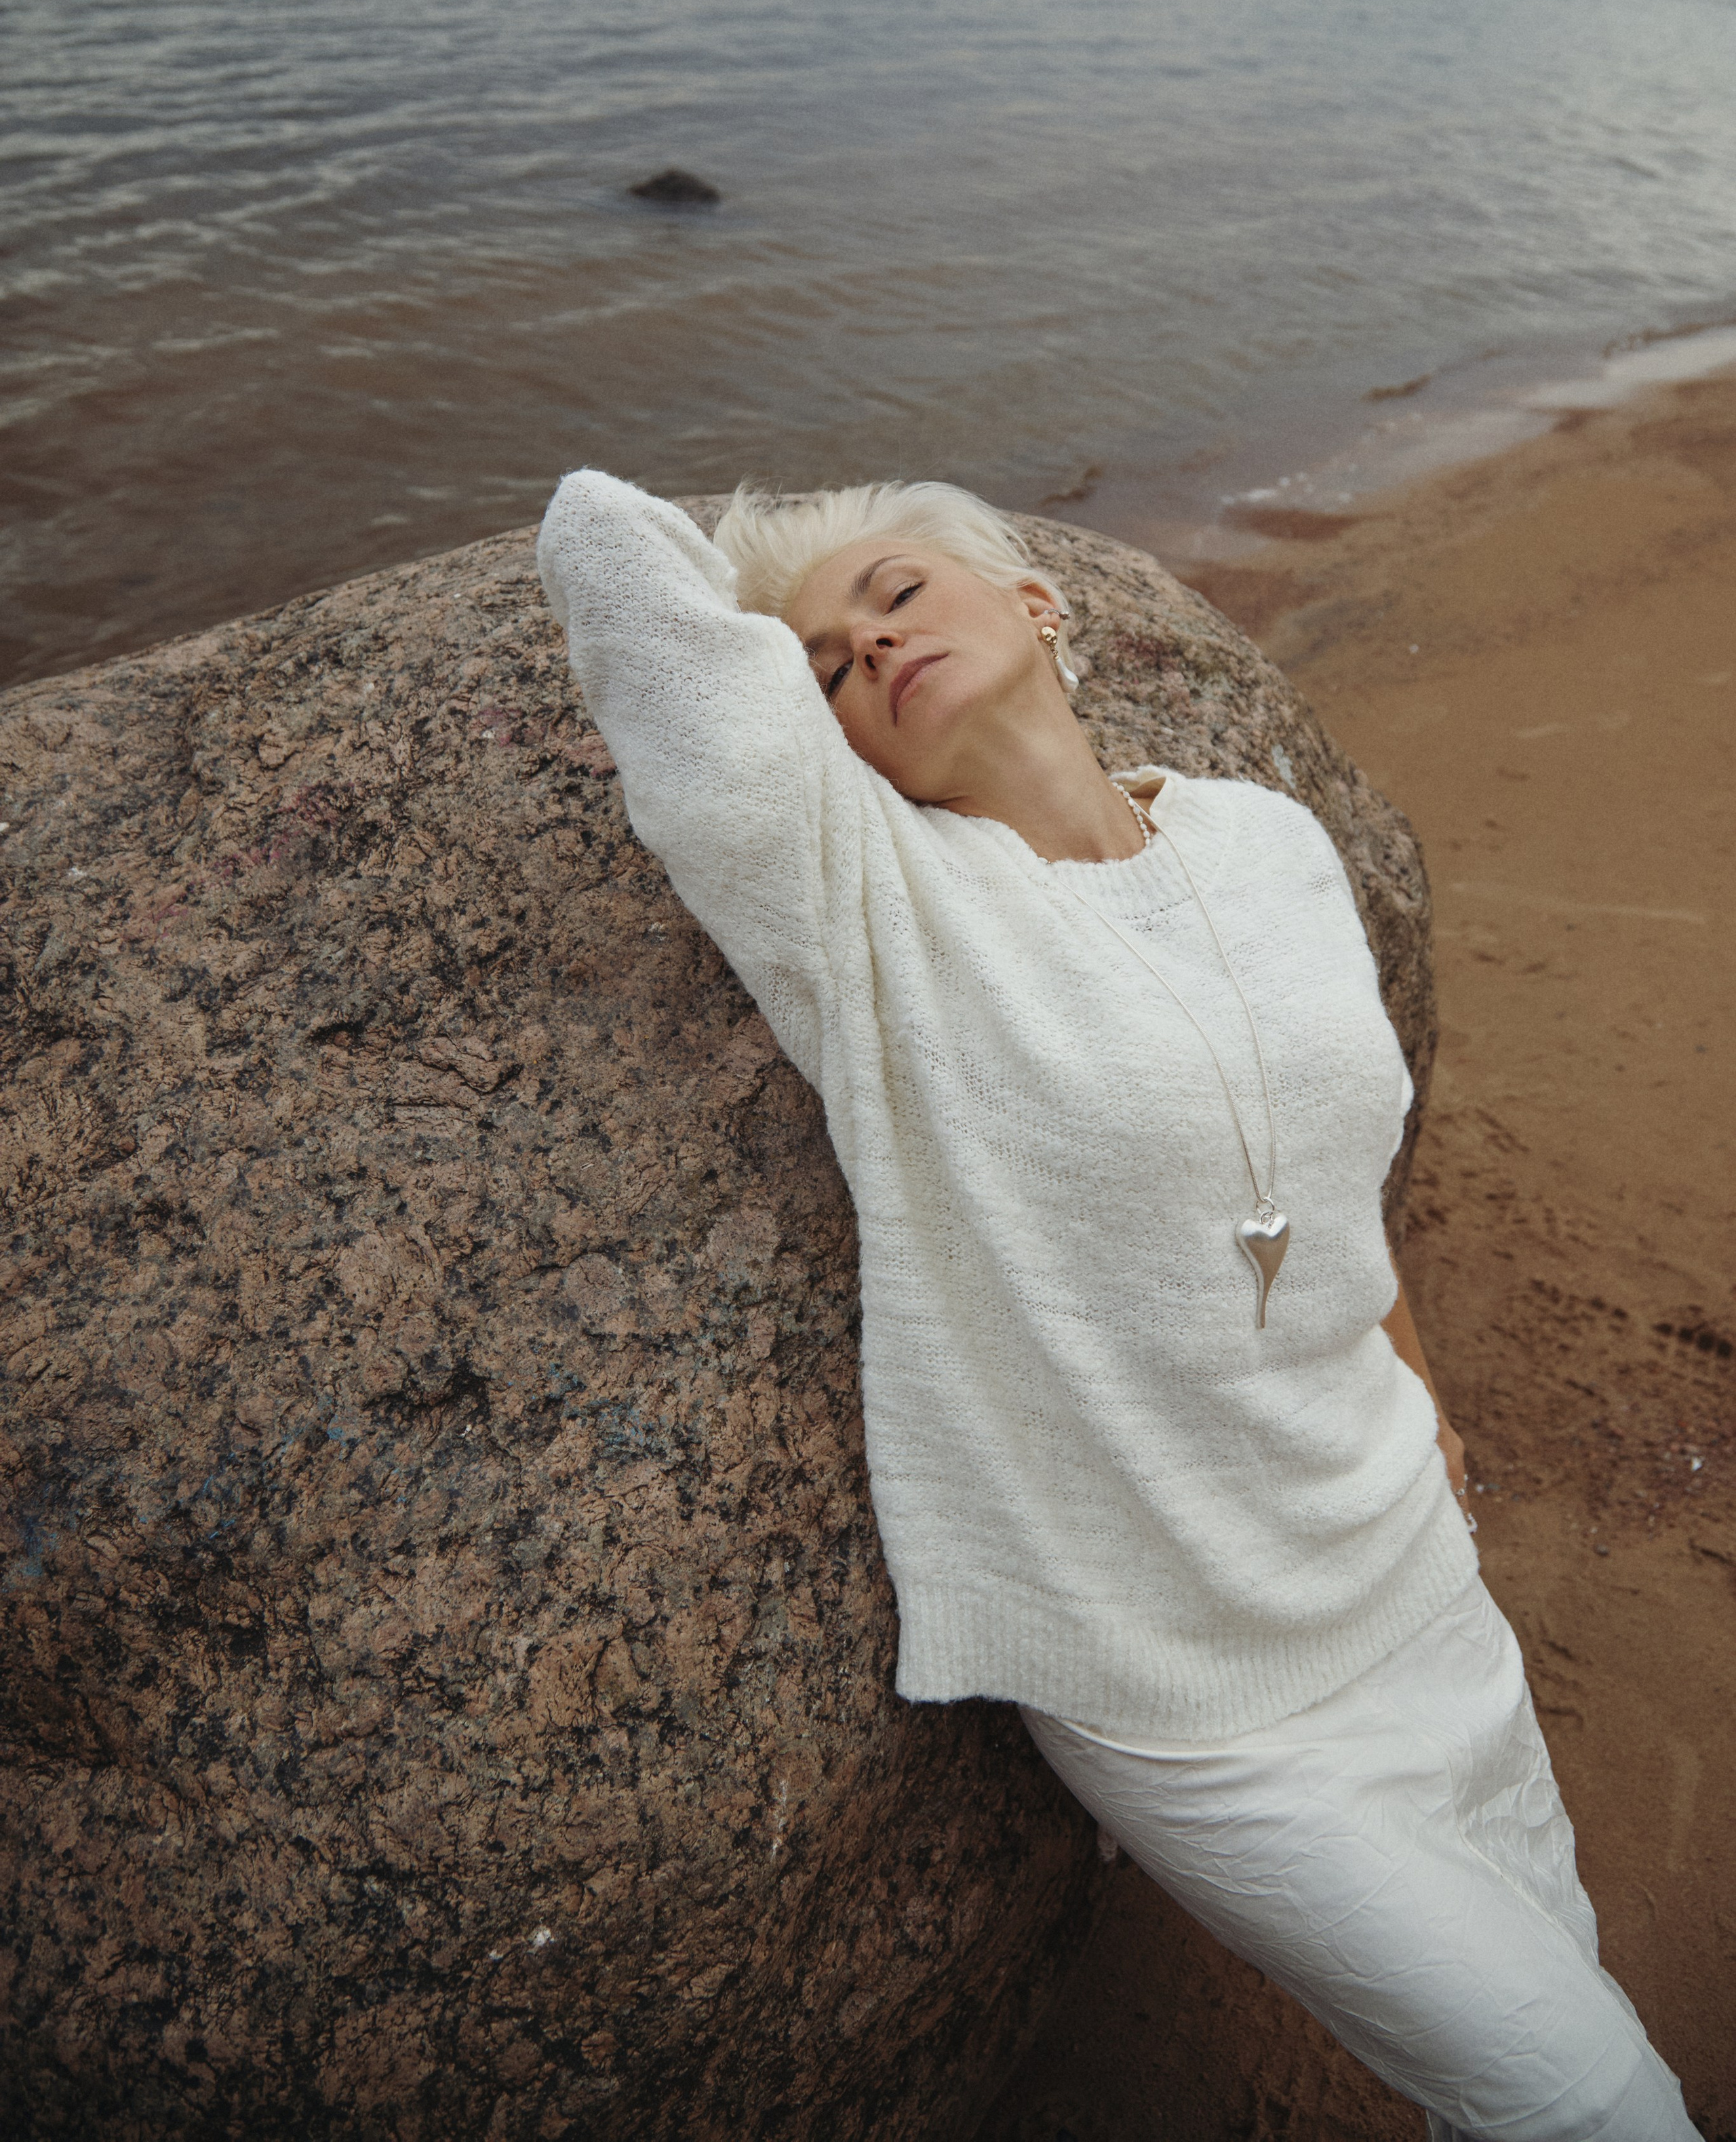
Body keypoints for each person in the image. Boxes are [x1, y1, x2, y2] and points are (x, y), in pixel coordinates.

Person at [536, 467, 1695, 2142]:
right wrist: (766, 603)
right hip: (1182, 1685)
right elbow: (598, 539)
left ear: (1039, 604)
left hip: (1401, 1563)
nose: (865, 645)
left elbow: (1337, 1178)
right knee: (1592, 2102)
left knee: (1546, 1983)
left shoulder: (1266, 843)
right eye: (824, 668)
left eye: (897, 592)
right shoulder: (875, 913)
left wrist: (1416, 1387)